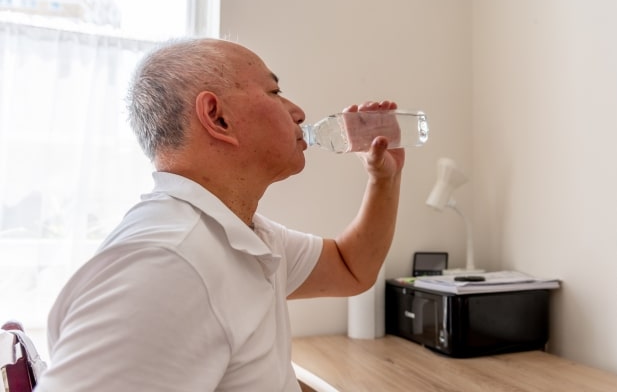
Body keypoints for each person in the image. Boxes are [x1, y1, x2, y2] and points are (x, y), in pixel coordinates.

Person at [35, 38, 404, 391]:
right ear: (217, 117)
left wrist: (384, 178)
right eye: (275, 92)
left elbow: (350, 268)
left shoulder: (241, 235)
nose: (298, 111)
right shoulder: (166, 264)